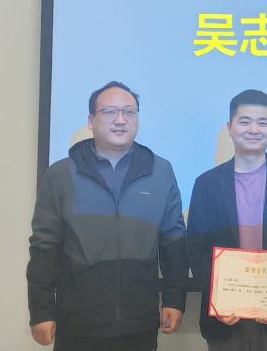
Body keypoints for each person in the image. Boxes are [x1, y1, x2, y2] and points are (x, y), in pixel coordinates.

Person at [26, 81, 187, 350]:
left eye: (129, 112)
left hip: (139, 323)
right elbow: (44, 247)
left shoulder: (160, 172)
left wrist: (174, 299)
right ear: (91, 121)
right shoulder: (61, 174)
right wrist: (41, 311)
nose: (120, 120)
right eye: (110, 112)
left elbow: (174, 242)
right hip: (77, 323)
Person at [187, 89, 267, 351]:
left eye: (262, 122)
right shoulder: (207, 183)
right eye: (245, 121)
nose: (254, 129)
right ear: (230, 127)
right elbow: (196, 247)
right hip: (224, 318)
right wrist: (217, 300)